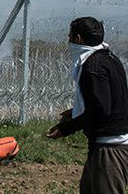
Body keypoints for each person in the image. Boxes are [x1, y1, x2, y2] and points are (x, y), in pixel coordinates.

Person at [47, 17, 128, 194]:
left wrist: (66, 128)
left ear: (78, 39)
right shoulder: (108, 58)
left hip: (110, 149)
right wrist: (75, 112)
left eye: (70, 37)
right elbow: (108, 101)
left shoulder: (94, 66)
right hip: (107, 145)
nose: (68, 41)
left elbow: (101, 110)